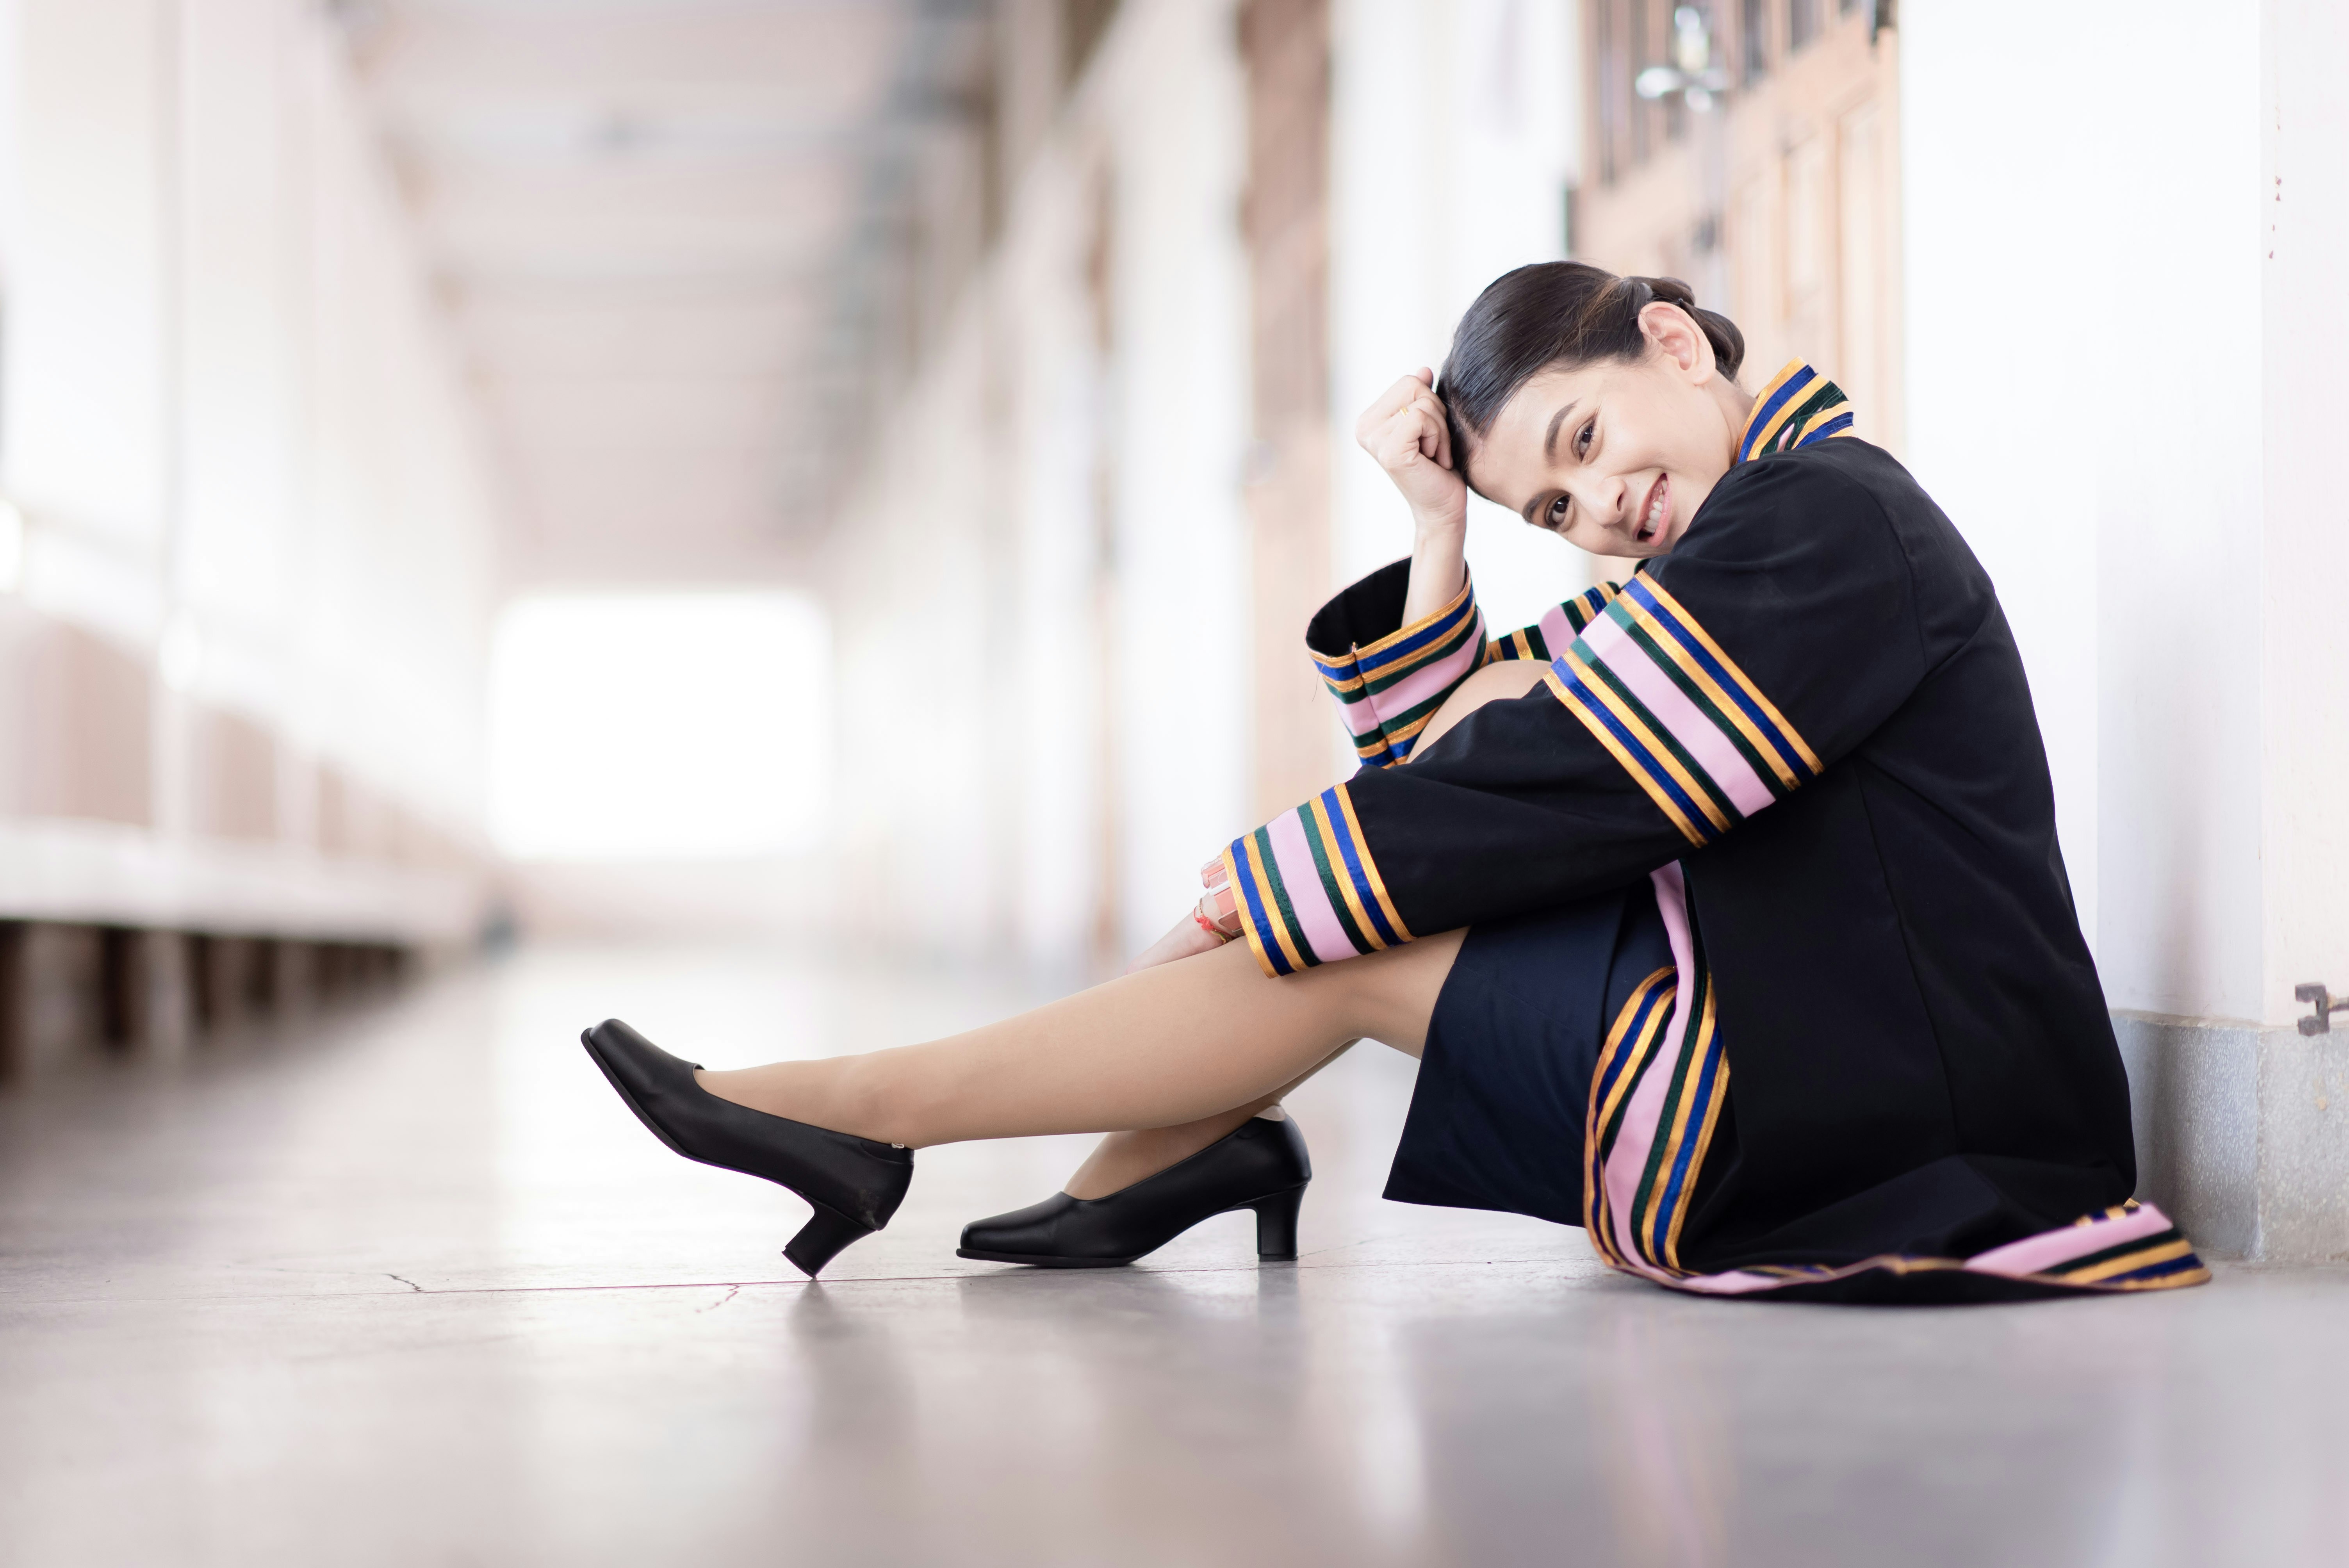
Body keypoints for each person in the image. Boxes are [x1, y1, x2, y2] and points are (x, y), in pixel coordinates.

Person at [583, 262, 2208, 1303]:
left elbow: (1575, 776)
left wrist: (1283, 870)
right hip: (1829, 1040)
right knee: (1328, 899)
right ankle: (1062, 1149)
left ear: (1665, 338)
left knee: (1329, 922)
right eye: (1551, 509)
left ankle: (890, 1116)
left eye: (1581, 439)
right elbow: (1457, 757)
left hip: (1905, 1100)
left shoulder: (1823, 519)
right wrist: (1441, 529)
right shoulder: (1739, 550)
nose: (1595, 504)